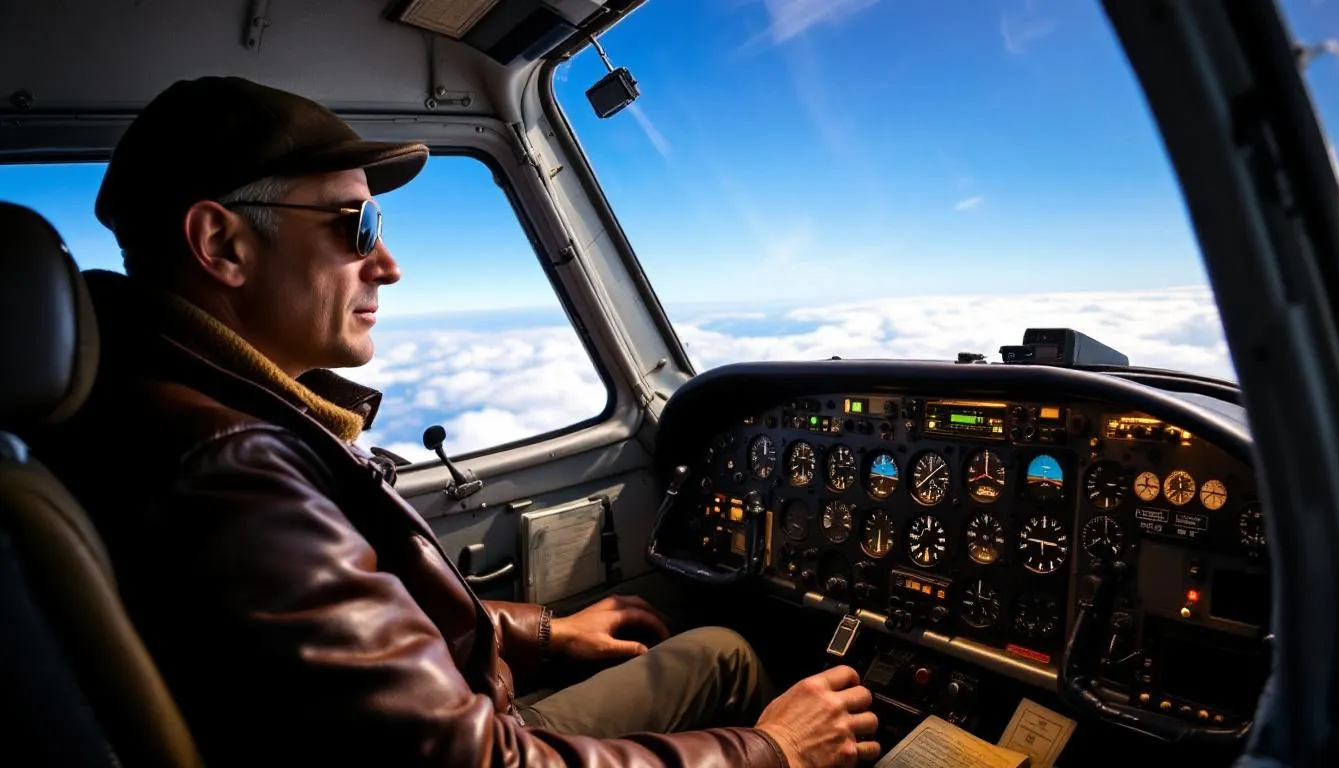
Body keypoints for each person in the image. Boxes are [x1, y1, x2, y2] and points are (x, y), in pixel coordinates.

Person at [31, 76, 881, 767]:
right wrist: (773, 750)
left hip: (446, 714)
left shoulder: (140, 398)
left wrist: (547, 628)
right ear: (221, 245)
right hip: (483, 741)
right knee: (745, 675)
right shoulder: (230, 468)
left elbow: (355, 633)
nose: (389, 265)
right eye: (355, 224)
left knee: (719, 650)